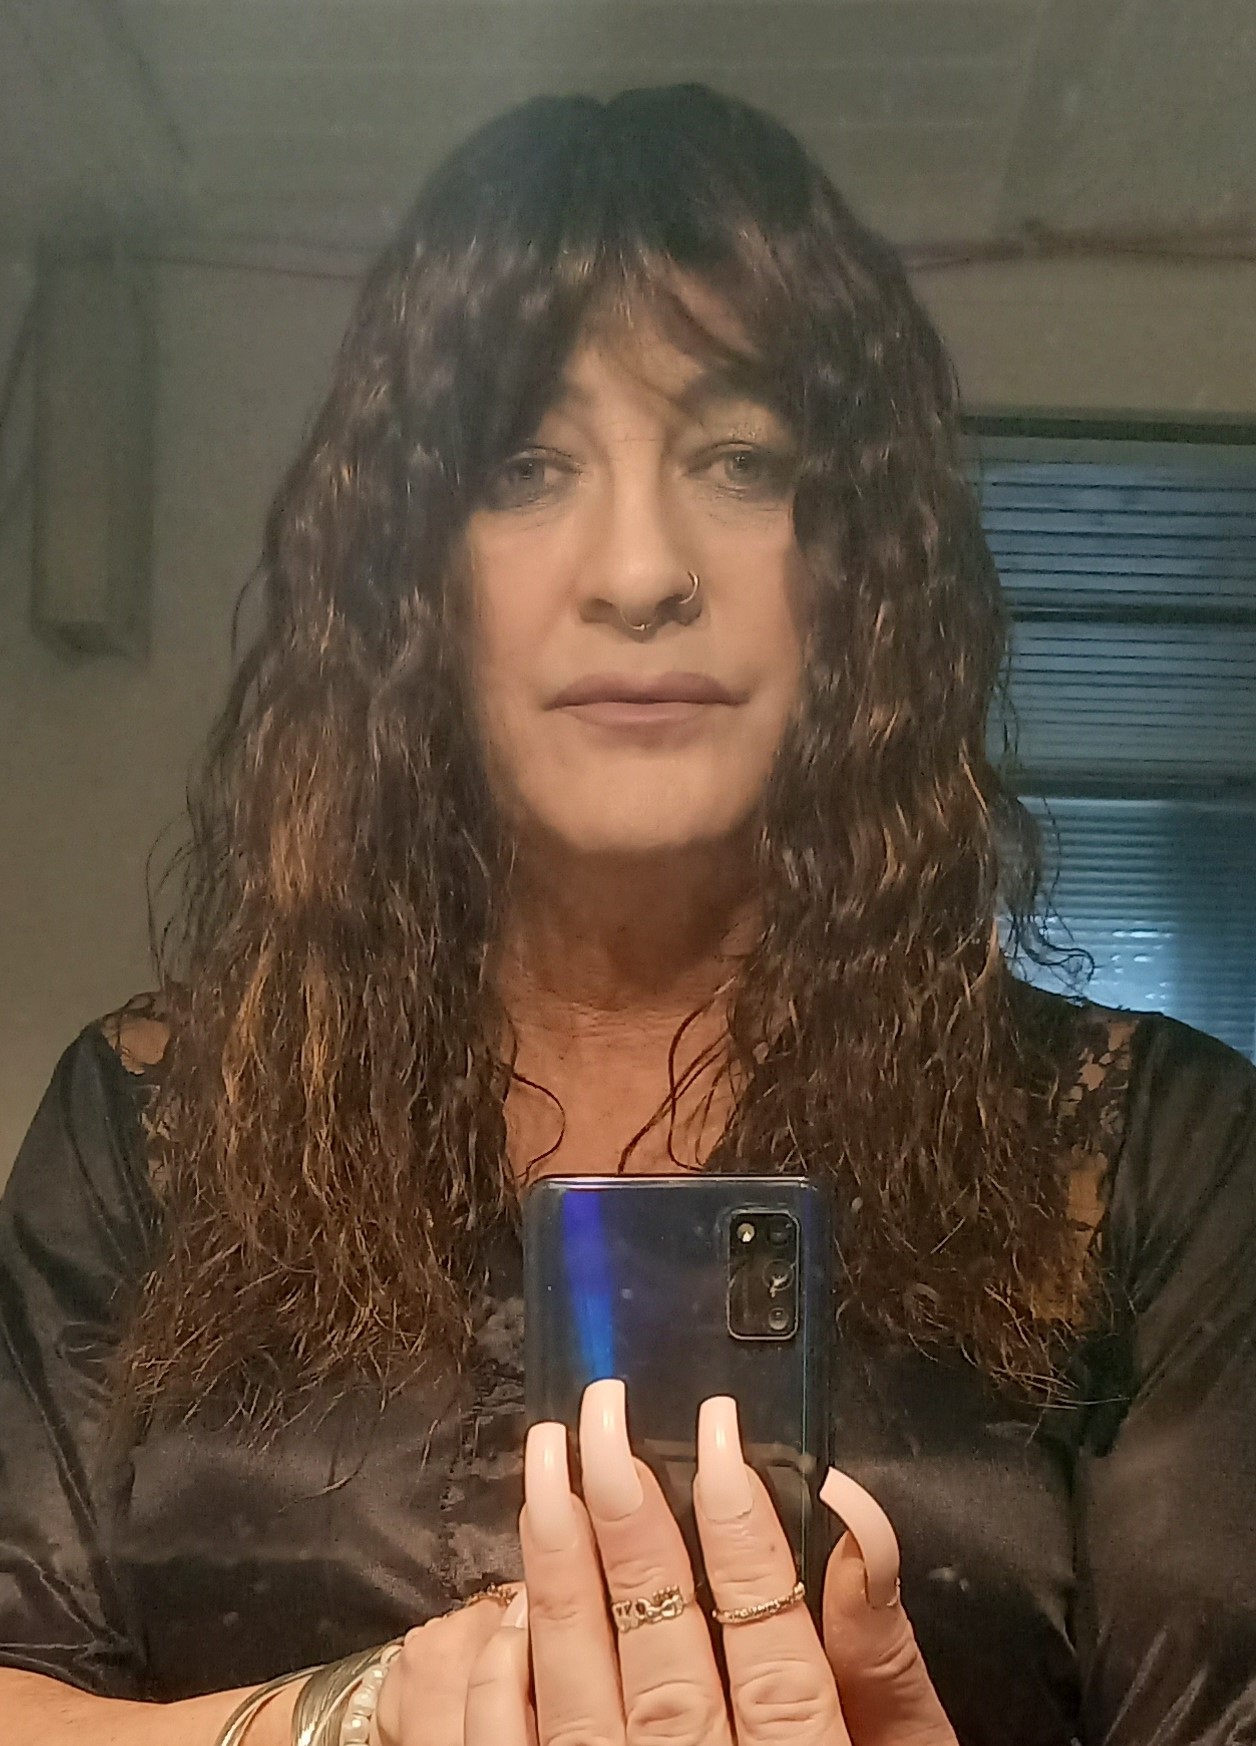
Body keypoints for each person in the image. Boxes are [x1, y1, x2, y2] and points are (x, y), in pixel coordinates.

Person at [0, 81, 1253, 1746]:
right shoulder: (159, 1120)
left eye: (741, 459)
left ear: (855, 566)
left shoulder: (1147, 1154)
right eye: (527, 463)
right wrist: (362, 1718)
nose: (643, 568)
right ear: (414, 575)